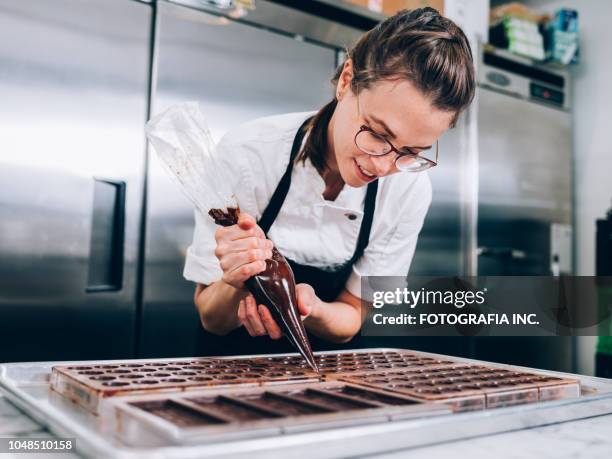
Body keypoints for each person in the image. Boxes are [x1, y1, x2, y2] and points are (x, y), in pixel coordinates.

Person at [184, 7, 476, 354]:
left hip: (330, 383)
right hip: (228, 378)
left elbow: (353, 316)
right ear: (346, 81)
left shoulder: (408, 190)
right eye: (378, 134)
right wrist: (235, 281)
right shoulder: (249, 154)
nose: (384, 166)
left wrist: (313, 309)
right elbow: (211, 317)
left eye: (411, 152)